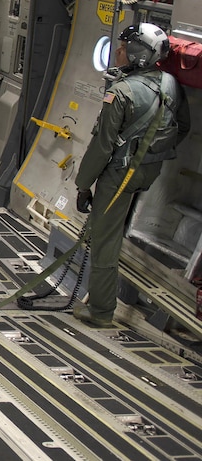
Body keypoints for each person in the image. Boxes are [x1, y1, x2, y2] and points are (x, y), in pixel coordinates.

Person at [73, 23, 190, 327]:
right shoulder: (170, 84)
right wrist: (148, 154)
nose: (118, 51)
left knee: (104, 242)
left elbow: (101, 147)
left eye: (123, 47)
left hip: (118, 176)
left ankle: (100, 311)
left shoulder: (121, 92)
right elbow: (183, 127)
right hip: (147, 173)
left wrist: (83, 186)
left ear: (137, 53)